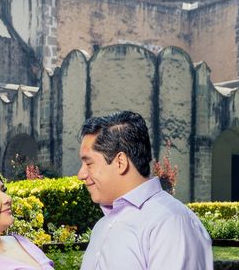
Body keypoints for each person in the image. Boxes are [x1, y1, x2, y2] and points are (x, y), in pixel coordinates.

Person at [78, 111, 213, 270]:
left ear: (120, 162)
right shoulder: (103, 226)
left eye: (89, 164)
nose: (81, 174)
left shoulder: (170, 223)